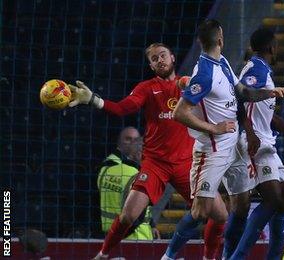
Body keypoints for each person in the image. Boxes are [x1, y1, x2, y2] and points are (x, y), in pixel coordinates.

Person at [69, 42, 223, 260]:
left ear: (172, 58)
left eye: (162, 55)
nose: (159, 60)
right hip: (156, 163)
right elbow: (124, 108)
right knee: (128, 215)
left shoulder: (190, 84)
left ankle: (209, 257)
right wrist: (94, 99)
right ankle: (103, 255)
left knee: (220, 214)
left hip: (187, 163)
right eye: (154, 59)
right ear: (151, 66)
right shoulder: (147, 88)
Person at [161, 19, 284, 260]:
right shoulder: (204, 74)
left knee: (241, 207)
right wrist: (214, 126)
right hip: (213, 150)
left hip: (235, 147)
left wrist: (270, 92)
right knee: (200, 211)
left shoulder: (222, 62)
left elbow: (242, 92)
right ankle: (168, 256)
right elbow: (179, 113)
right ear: (220, 39)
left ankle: (229, 257)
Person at [227, 28, 284, 260]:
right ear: (271, 47)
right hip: (254, 141)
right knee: (273, 198)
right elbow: (241, 97)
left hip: (267, 140)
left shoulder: (263, 69)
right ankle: (237, 257)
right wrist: (250, 132)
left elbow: (264, 113)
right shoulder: (256, 67)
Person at [98, 127, 160, 240]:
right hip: (138, 237)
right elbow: (138, 213)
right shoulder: (136, 175)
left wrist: (151, 224)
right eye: (129, 140)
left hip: (110, 233)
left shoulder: (105, 169)